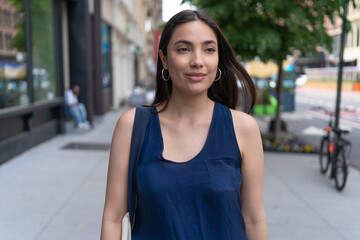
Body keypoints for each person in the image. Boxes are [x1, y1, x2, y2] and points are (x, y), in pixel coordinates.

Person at [101, 10, 267, 240]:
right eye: (183, 49)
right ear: (165, 59)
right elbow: (112, 217)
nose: (197, 61)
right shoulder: (133, 126)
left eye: (209, 49)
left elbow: (253, 218)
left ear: (218, 58)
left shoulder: (243, 128)